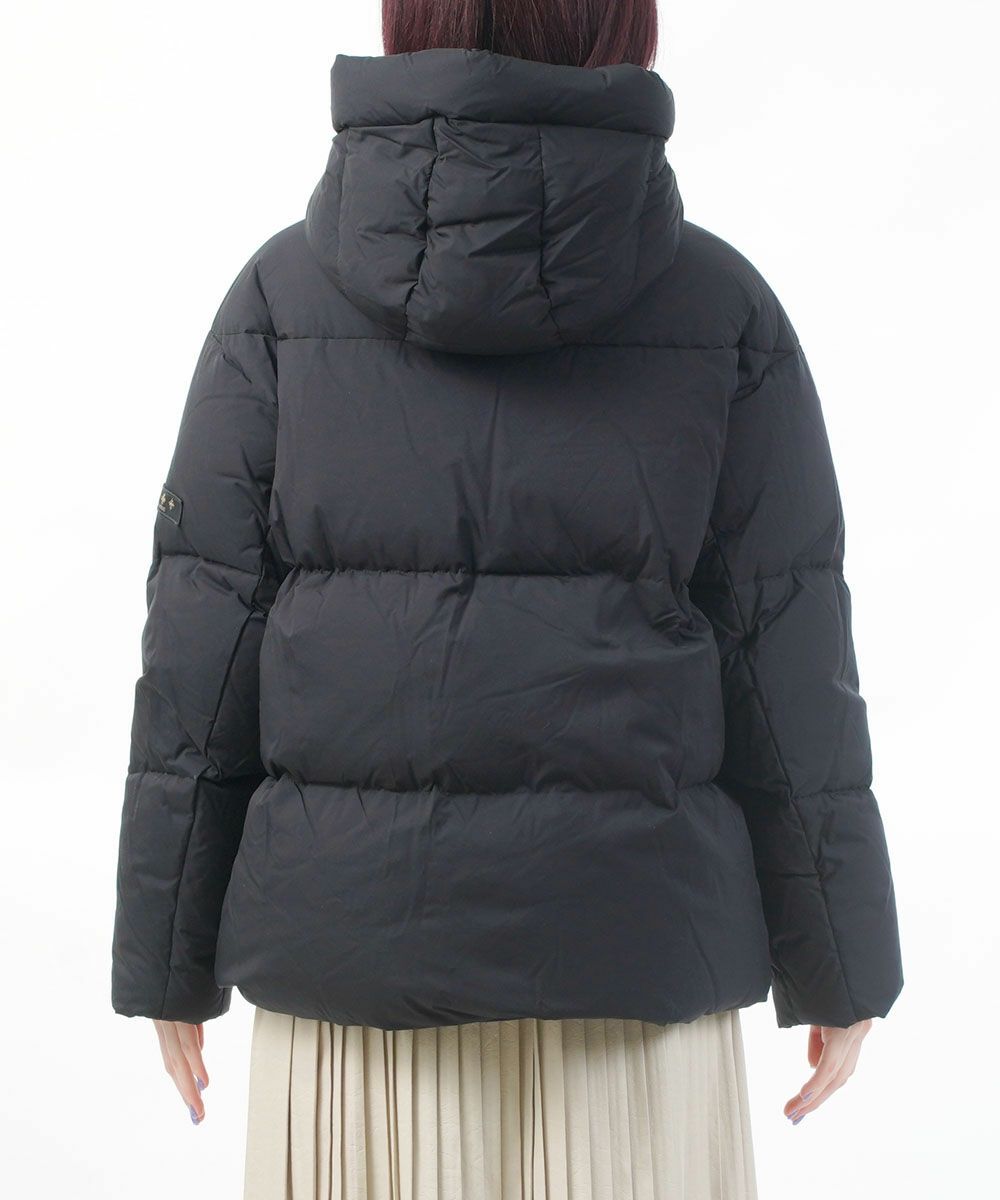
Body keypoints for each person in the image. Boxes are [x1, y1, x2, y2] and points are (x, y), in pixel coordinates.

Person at [112, 2, 903, 1196]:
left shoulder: (279, 301)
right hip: (637, 979)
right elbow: (787, 654)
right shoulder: (723, 307)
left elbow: (200, 649)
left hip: (350, 984)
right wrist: (839, 957)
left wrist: (165, 954)